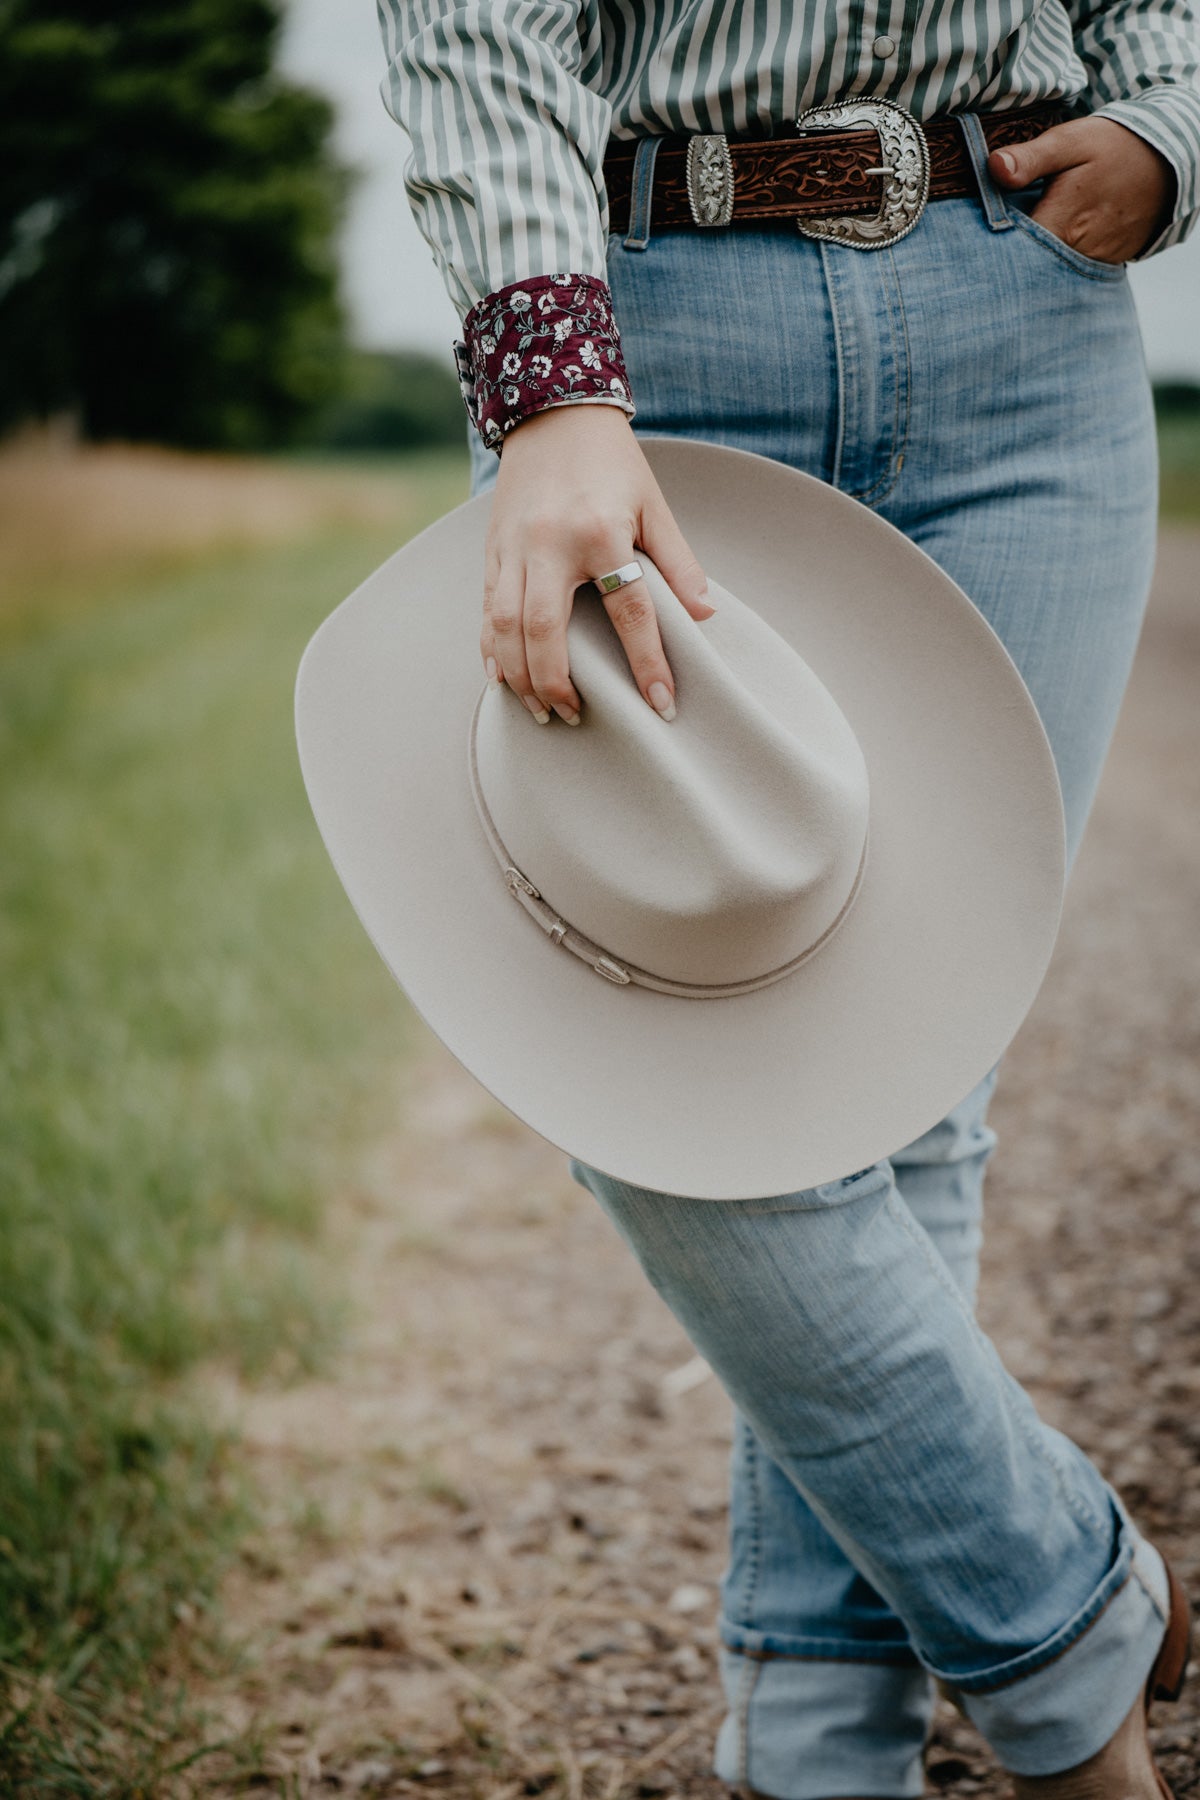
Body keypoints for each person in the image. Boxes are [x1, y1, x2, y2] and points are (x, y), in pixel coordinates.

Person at [376, 4, 1199, 1794]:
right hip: (651, 338)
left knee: (910, 1076)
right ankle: (1063, 1617)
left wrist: (1175, 124)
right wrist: (550, 378)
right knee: (653, 1066)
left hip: (1028, 318)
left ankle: (822, 1734)